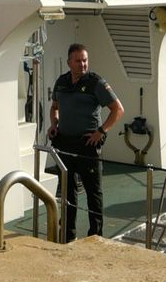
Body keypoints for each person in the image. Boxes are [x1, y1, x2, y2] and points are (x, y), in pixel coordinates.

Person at [47, 43, 123, 243]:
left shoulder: (96, 83)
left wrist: (101, 131)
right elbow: (54, 107)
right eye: (78, 61)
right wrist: (54, 124)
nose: (83, 64)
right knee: (68, 192)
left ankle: (95, 236)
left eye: (85, 60)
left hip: (87, 146)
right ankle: (68, 234)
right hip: (64, 145)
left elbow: (118, 110)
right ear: (69, 62)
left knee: (93, 193)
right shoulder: (61, 82)